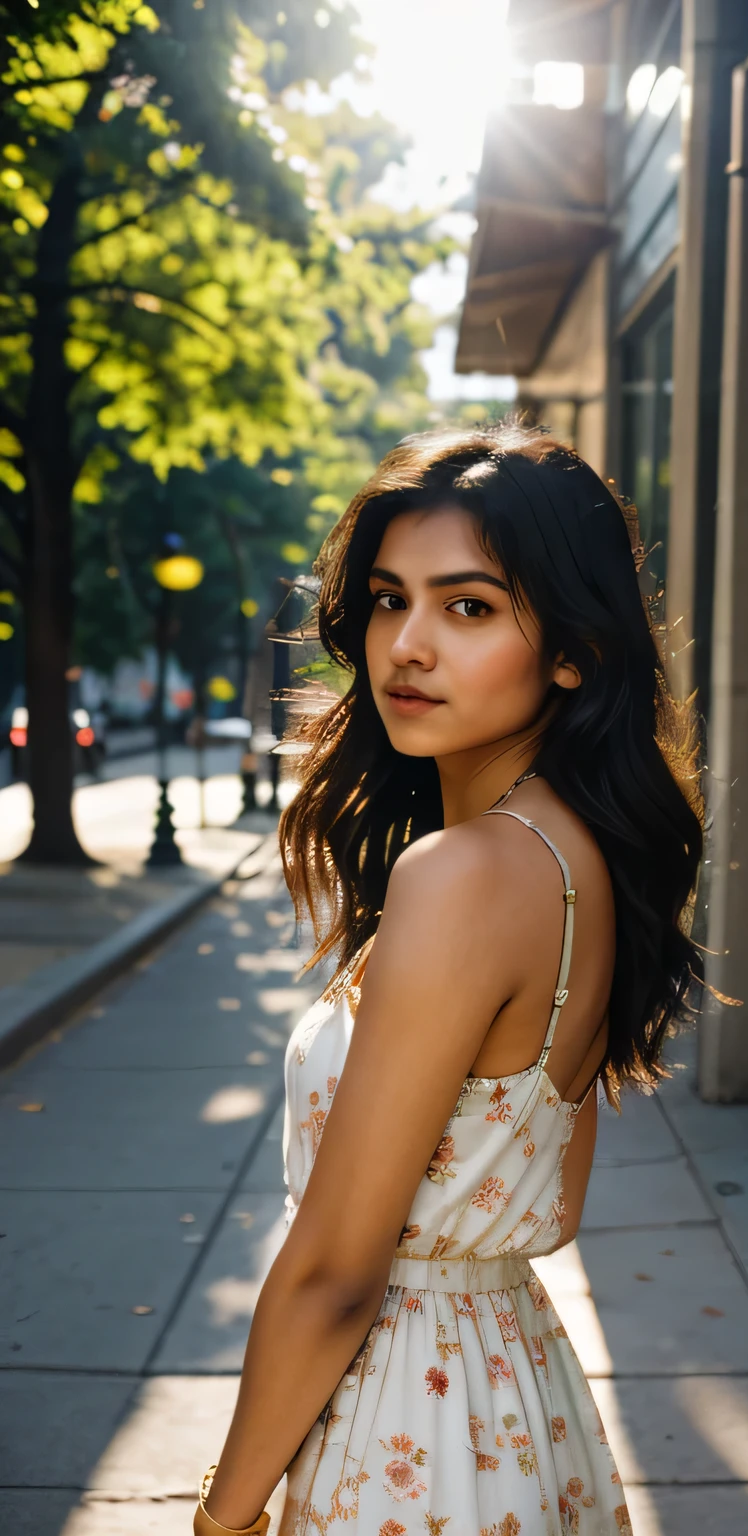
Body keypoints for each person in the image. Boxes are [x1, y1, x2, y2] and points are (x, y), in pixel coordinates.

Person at [194, 422, 703, 1536]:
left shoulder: (465, 875)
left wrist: (220, 1518)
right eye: (388, 599)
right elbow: (552, 1207)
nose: (405, 646)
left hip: (402, 1440)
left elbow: (333, 1271)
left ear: (572, 649)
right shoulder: (581, 859)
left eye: (467, 606)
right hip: (516, 1403)